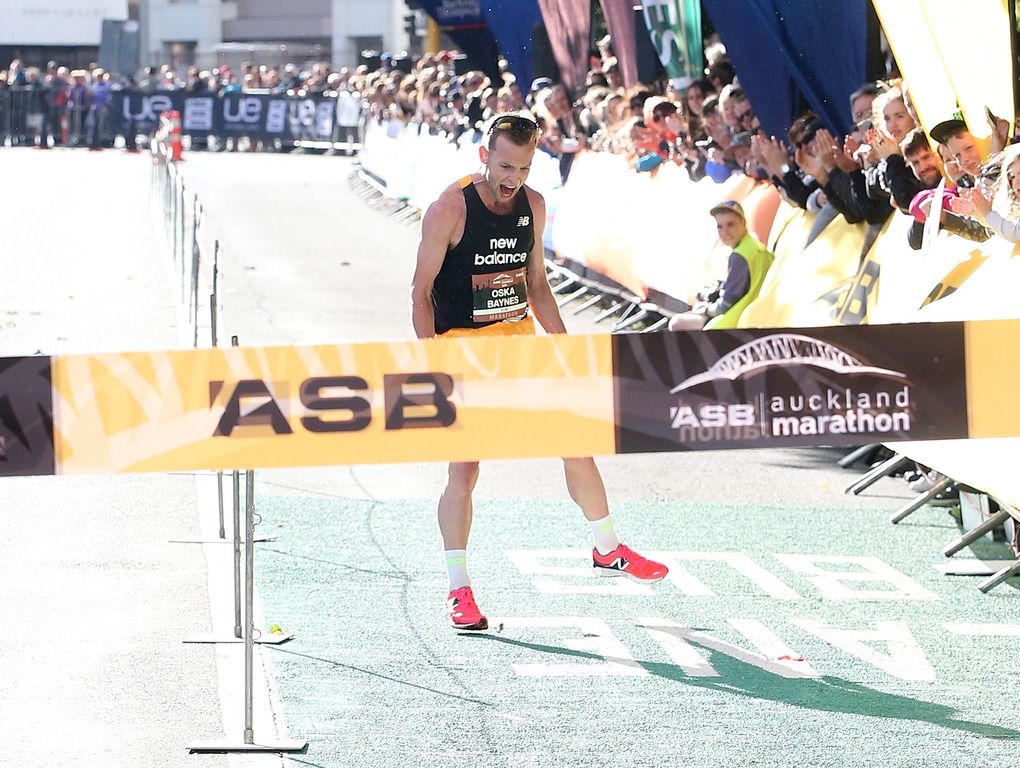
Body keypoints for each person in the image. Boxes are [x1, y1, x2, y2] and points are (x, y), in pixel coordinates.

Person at [409, 113, 669, 631]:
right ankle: (458, 588)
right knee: (465, 470)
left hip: (519, 345)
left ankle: (607, 548)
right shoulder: (450, 208)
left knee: (576, 441)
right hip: (462, 349)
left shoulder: (533, 205)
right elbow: (420, 291)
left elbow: (537, 285)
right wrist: (430, 360)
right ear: (485, 156)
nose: (513, 179)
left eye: (524, 169)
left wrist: (563, 348)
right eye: (505, 166)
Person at [668, 200, 774, 331]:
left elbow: (725, 305)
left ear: (743, 223)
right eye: (720, 226)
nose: (725, 232)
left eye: (730, 225)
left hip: (739, 323)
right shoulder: (755, 246)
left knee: (677, 323)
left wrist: (705, 309)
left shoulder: (740, 255)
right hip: (760, 314)